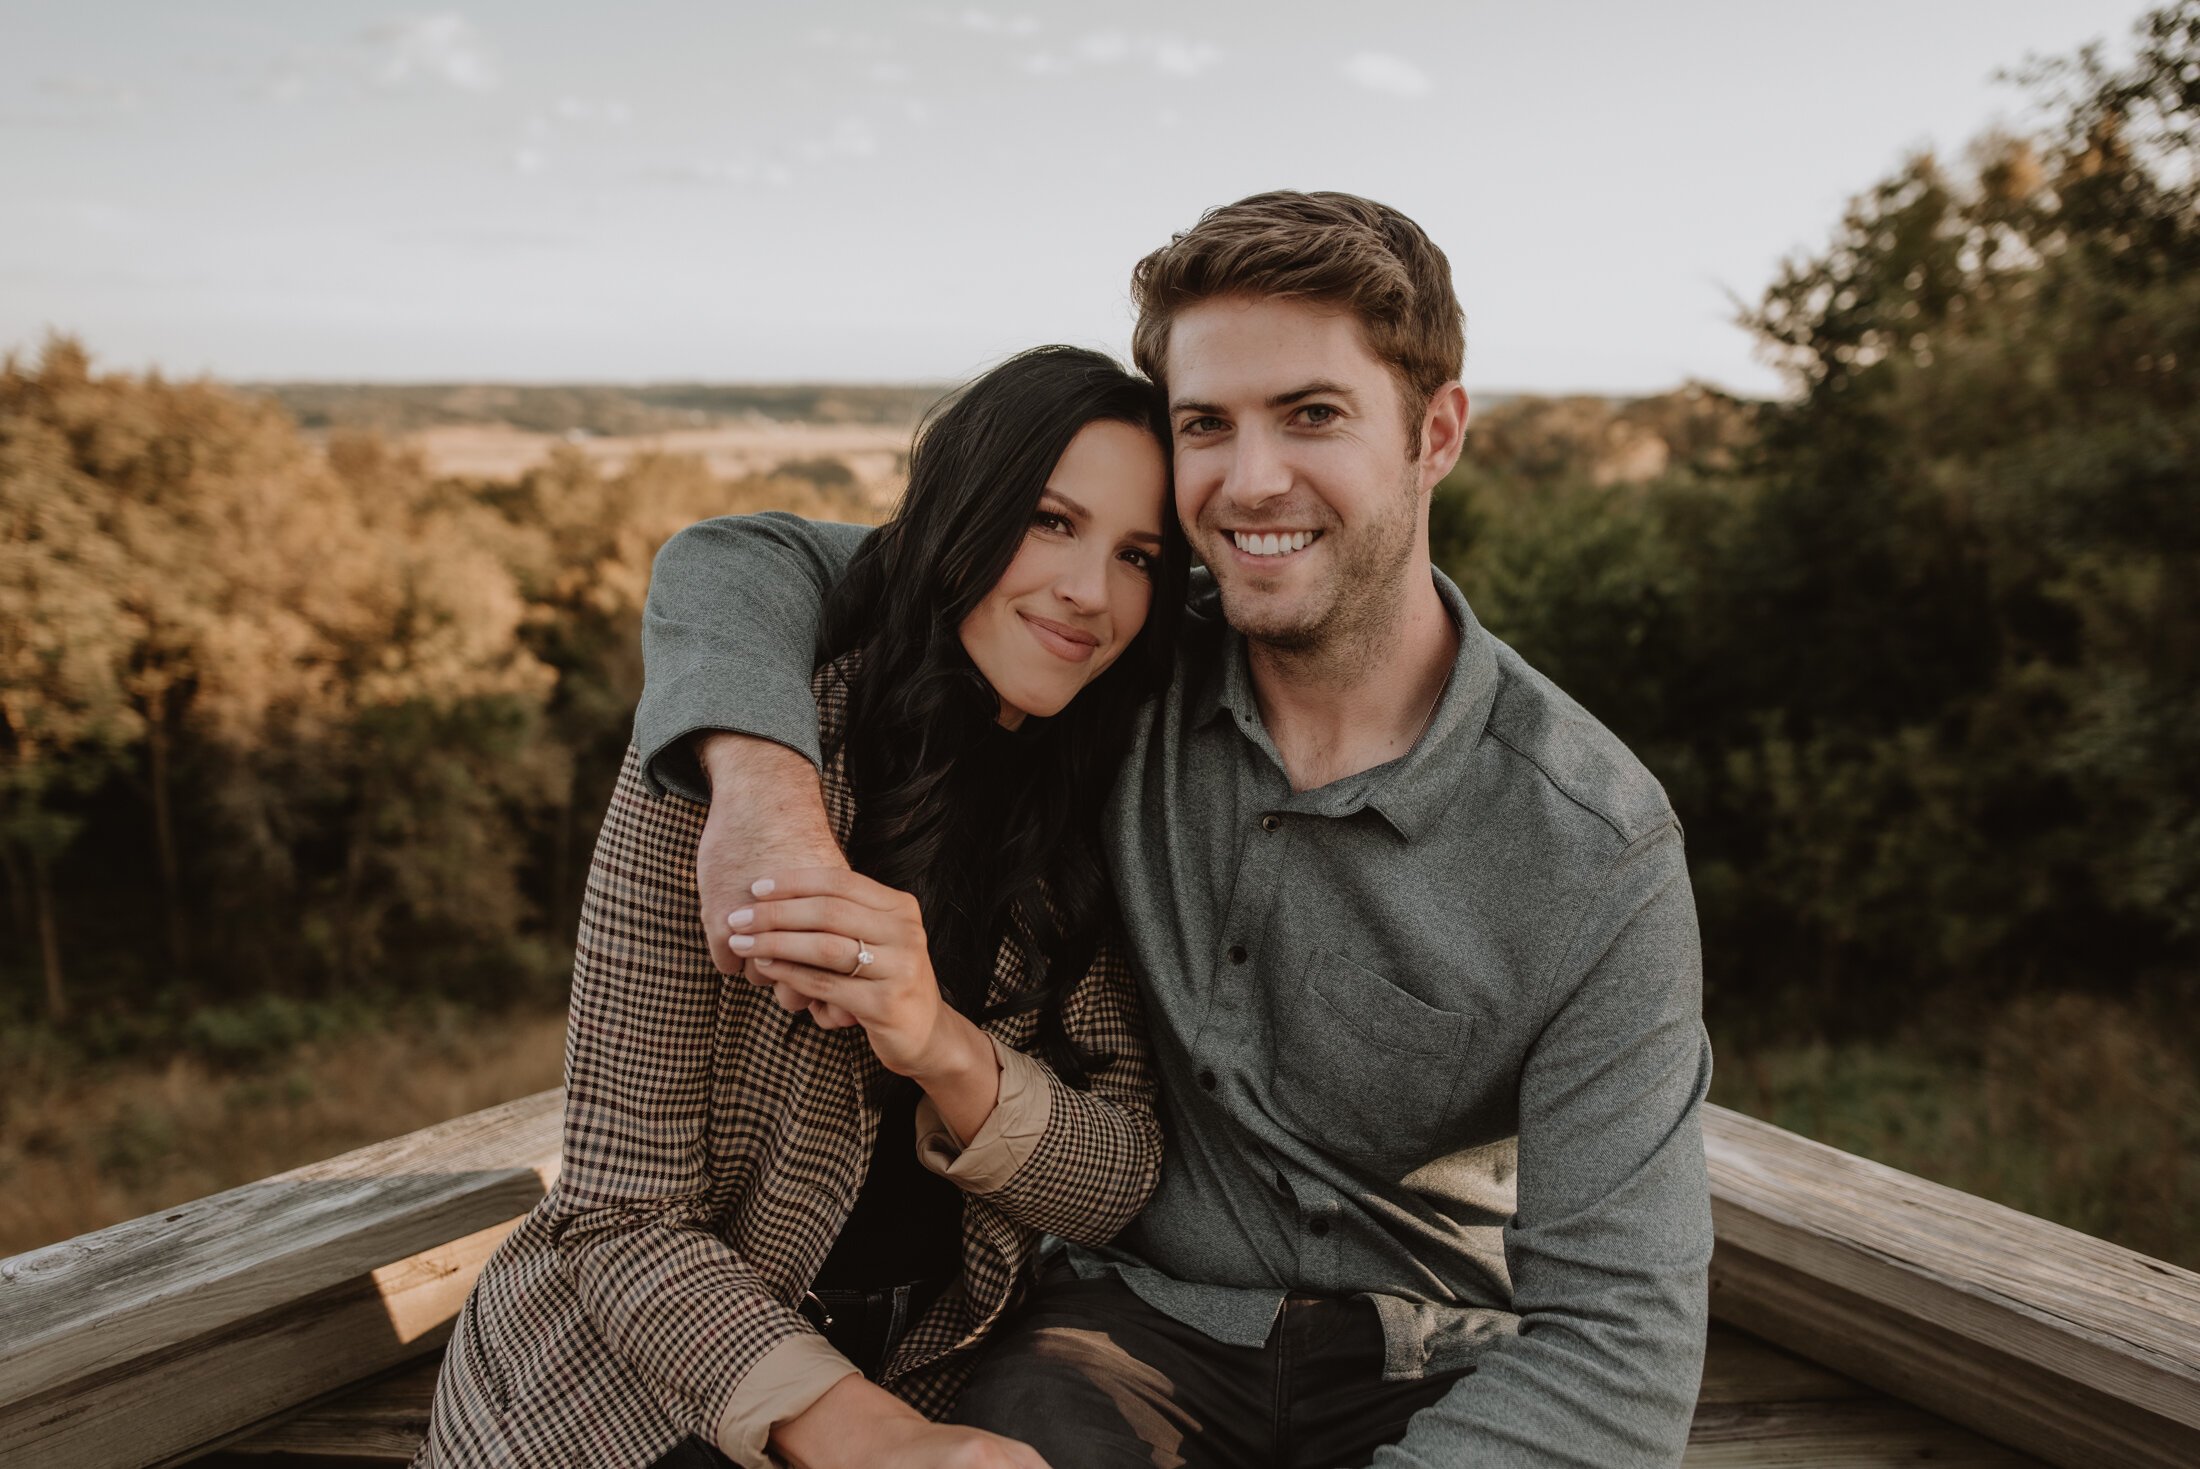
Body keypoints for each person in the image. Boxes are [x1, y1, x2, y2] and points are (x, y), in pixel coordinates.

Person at [637, 192, 1715, 1468]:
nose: (1250, 479)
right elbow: (745, 559)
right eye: (1206, 424)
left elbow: (1619, 1334)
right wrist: (764, 797)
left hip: (1433, 1362)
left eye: (1311, 415)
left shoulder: (1594, 843)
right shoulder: (1112, 658)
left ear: (1437, 431)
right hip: (1123, 1333)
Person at [417, 345, 1190, 1469]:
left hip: (924, 1371)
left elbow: (1116, 1174)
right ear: (965, 512)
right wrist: (873, 1438)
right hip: (629, 1394)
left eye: (1137, 555)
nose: (1090, 590)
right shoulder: (741, 763)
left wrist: (940, 1045)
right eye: (1050, 521)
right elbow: (617, 1217)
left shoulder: (1095, 800)